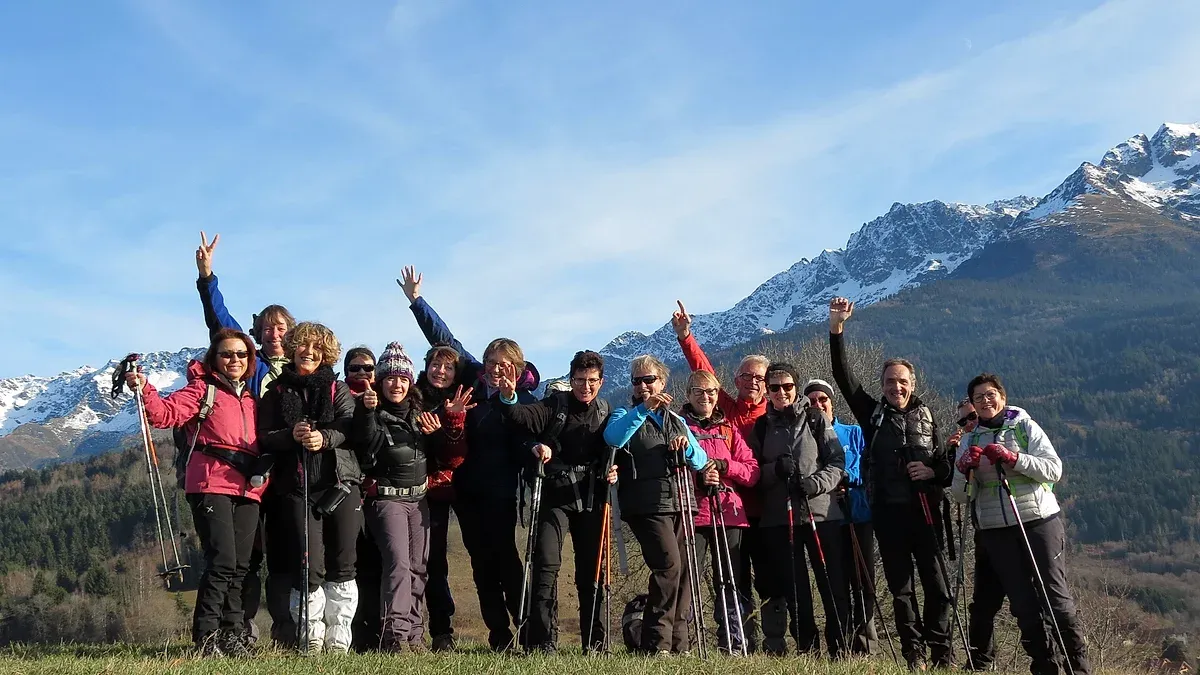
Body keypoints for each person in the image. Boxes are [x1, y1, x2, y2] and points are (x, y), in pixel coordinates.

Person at [399, 266, 539, 651]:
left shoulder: (524, 401)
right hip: (467, 491)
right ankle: (498, 634)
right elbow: (445, 340)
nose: (496, 369)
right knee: (479, 565)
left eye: (504, 364)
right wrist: (416, 301)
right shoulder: (473, 384)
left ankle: (526, 630)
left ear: (518, 367)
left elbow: (531, 437)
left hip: (501, 492)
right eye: (492, 362)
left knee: (506, 559)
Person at [828, 297, 953, 670]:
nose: (895, 387)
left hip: (927, 512)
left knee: (939, 589)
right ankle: (914, 656)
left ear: (912, 383)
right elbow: (842, 375)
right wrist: (837, 328)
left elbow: (947, 469)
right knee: (901, 590)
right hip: (888, 513)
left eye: (902, 381)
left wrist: (932, 473)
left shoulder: (928, 416)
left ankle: (942, 654)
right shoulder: (872, 414)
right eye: (889, 381)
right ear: (881, 386)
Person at [126, 328, 267, 656]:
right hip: (210, 484)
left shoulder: (252, 399)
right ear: (214, 359)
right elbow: (163, 414)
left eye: (241, 354)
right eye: (227, 354)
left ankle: (232, 636)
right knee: (223, 560)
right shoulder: (202, 390)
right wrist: (145, 388)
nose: (235, 360)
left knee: (242, 565)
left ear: (250, 360)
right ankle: (206, 637)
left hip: (248, 490)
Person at [193, 231, 297, 645]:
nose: (274, 334)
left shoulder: (303, 370)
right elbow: (220, 324)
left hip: (288, 473)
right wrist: (207, 278)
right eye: (267, 328)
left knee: (288, 556)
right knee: (245, 557)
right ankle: (239, 629)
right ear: (258, 332)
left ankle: (288, 632)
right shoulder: (248, 364)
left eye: (281, 328)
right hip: (245, 473)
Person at [953, 374, 1090, 675]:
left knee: (1055, 598)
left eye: (990, 394)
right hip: (995, 529)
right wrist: (965, 470)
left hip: (1038, 522)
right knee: (1023, 605)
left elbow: (1053, 469)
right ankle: (1045, 667)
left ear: (1002, 396)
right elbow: (960, 496)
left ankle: (1078, 667)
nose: (985, 401)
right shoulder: (968, 440)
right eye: (978, 397)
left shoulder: (1024, 425)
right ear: (973, 404)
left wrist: (1014, 459)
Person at [353, 342, 474, 652]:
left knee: (420, 568)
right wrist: (366, 412)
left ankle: (415, 636)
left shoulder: (420, 416)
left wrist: (443, 429)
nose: (397, 385)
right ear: (380, 381)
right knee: (398, 565)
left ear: (410, 382)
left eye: (403, 379)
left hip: (419, 500)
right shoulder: (372, 413)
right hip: (387, 500)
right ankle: (393, 635)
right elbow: (365, 445)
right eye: (391, 378)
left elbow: (449, 459)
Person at [498, 350, 616, 653]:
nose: (585, 387)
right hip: (554, 496)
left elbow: (618, 448)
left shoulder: (605, 411)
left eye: (591, 381)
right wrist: (510, 397)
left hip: (592, 497)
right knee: (546, 567)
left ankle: (595, 642)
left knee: (593, 571)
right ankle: (543, 641)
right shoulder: (556, 405)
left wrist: (616, 469)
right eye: (579, 380)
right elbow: (524, 418)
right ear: (571, 378)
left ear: (601, 381)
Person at [671, 300, 771, 651]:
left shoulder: (774, 408)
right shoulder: (726, 411)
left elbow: (751, 467)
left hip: (761, 509)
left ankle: (748, 641)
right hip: (722, 509)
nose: (753, 382)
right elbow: (703, 373)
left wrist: (727, 468)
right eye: (746, 376)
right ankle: (696, 641)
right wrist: (686, 336)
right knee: (700, 578)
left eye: (760, 378)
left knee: (753, 581)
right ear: (736, 380)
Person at [256, 322, 362, 653]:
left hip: (340, 484)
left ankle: (339, 637)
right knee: (309, 565)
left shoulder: (338, 388)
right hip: (296, 487)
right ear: (292, 348)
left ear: (326, 353)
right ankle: (310, 635)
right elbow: (264, 436)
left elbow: (348, 425)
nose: (310, 352)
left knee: (344, 563)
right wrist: (292, 436)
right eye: (303, 346)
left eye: (317, 348)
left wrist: (324, 437)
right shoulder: (276, 392)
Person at [603, 355, 709, 656]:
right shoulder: (625, 413)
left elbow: (699, 459)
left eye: (649, 379)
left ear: (662, 382)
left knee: (685, 571)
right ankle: (655, 642)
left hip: (681, 501)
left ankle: (678, 643)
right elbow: (614, 438)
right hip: (645, 503)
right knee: (668, 566)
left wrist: (686, 447)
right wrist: (643, 409)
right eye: (637, 381)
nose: (643, 385)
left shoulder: (676, 420)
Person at [750, 364, 849, 658]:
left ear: (796, 387)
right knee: (796, 591)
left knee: (833, 585)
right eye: (775, 387)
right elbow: (752, 471)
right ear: (766, 391)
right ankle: (808, 649)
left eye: (788, 386)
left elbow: (837, 462)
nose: (782, 393)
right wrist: (774, 471)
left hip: (821, 514)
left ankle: (840, 647)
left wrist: (814, 484)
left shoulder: (816, 418)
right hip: (780, 519)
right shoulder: (762, 426)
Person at [680, 369, 760, 654]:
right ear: (688, 395)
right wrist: (699, 475)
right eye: (699, 391)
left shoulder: (729, 430)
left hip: (729, 514)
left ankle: (734, 641)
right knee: (687, 579)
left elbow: (752, 473)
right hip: (693, 513)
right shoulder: (680, 428)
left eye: (711, 392)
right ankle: (682, 641)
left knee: (731, 580)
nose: (706, 397)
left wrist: (726, 468)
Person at [805, 378, 879, 656]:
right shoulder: (805, 436)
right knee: (834, 583)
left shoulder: (853, 432)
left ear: (831, 401)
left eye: (822, 399)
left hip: (858, 516)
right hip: (826, 520)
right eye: (811, 401)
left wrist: (846, 478)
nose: (818, 405)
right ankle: (839, 646)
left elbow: (866, 466)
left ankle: (865, 646)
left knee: (864, 583)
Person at [415, 344, 471, 652]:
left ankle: (441, 631)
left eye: (448, 368)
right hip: (404, 490)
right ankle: (404, 628)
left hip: (438, 494)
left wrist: (449, 423)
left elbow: (454, 458)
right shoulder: (410, 397)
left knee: (435, 563)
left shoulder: (460, 404)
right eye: (436, 365)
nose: (441, 371)